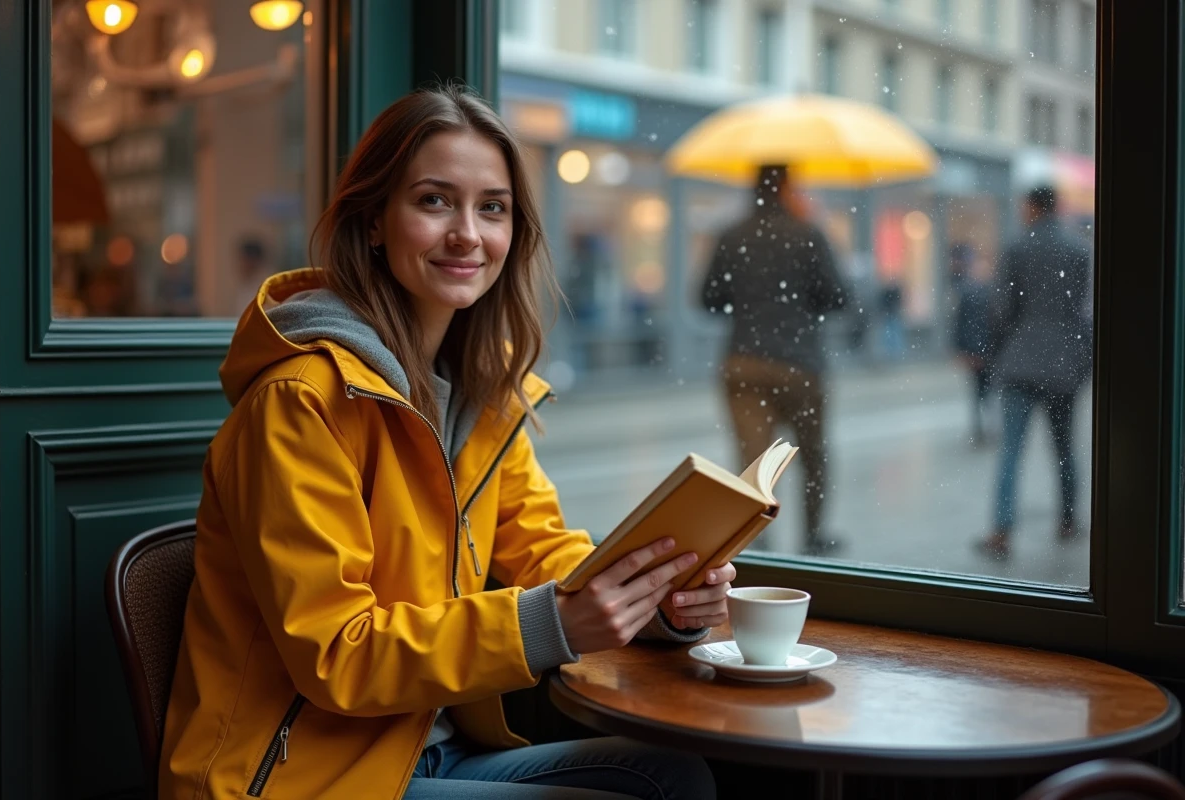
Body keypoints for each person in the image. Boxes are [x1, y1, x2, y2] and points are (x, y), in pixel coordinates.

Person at [160, 84, 728, 800]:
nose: (468, 233)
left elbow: (542, 551)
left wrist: (657, 601)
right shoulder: (299, 402)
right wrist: (554, 624)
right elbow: (339, 654)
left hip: (424, 752)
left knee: (673, 774)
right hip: (299, 779)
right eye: (434, 201)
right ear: (373, 220)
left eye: (492, 207)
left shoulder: (479, 398)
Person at [700, 164, 849, 557]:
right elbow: (838, 296)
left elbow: (707, 299)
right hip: (799, 364)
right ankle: (813, 537)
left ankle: (753, 542)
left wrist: (749, 299)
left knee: (754, 461)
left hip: (744, 361)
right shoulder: (808, 233)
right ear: (785, 187)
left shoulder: (731, 236)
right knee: (813, 455)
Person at [976, 186, 1092, 560]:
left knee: (1011, 450)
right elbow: (1086, 312)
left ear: (1032, 207)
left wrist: (1005, 349)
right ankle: (1068, 521)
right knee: (1063, 448)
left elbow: (1001, 310)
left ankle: (1001, 531)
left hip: (1021, 363)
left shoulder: (1016, 248)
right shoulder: (1078, 251)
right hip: (1063, 364)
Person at [950, 245, 998, 445]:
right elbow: (961, 323)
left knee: (983, 392)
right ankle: (982, 428)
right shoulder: (979, 292)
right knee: (982, 391)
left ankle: (983, 428)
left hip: (984, 350)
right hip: (981, 350)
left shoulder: (982, 292)